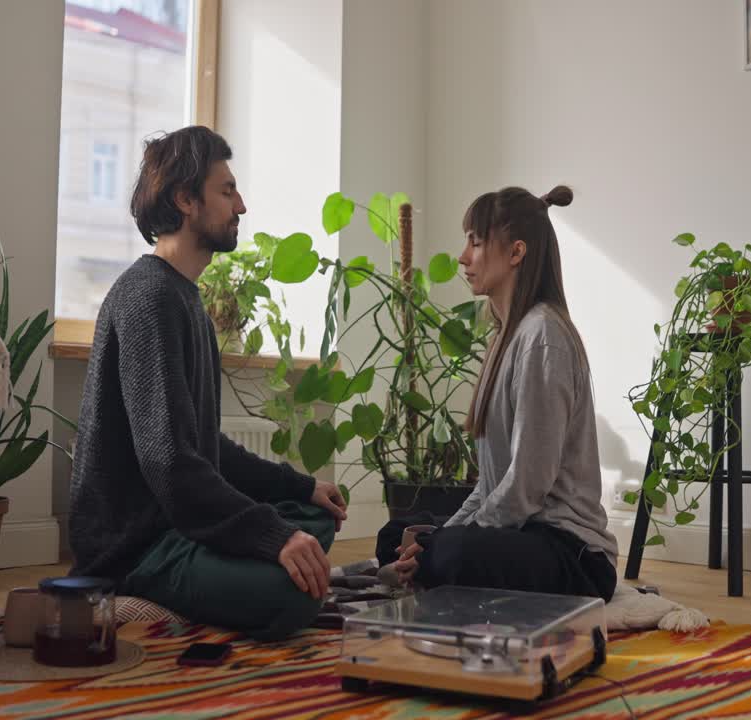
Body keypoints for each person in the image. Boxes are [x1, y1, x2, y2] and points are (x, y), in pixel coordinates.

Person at [68, 126, 348, 641]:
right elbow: (170, 463)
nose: (241, 206)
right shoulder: (148, 298)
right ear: (185, 199)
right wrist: (273, 537)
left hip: (181, 523)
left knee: (315, 516)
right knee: (293, 593)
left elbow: (204, 447)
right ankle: (139, 595)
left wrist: (303, 487)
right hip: (137, 547)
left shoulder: (186, 299)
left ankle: (229, 572)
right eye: (227, 190)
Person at [375, 185, 618, 602]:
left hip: (572, 554)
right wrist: (435, 538)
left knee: (450, 553)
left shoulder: (543, 337)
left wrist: (441, 545)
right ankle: (432, 565)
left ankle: (435, 569)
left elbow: (526, 487)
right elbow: (490, 486)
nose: (462, 257)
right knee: (396, 536)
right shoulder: (508, 336)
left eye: (475, 242)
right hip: (522, 532)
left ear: (516, 252)